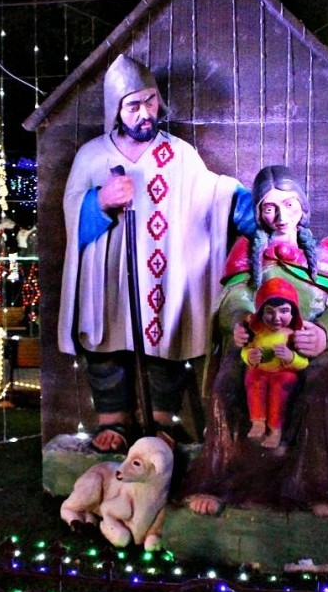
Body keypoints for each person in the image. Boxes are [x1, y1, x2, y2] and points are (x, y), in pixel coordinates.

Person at [58, 54, 253, 453]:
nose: (145, 113)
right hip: (108, 271)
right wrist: (100, 202)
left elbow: (208, 193)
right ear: (116, 110)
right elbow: (72, 209)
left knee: (165, 338)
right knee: (105, 341)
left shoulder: (178, 153)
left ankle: (161, 419)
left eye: (150, 101)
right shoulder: (92, 155)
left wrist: (245, 204)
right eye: (134, 105)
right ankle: (113, 418)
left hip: (162, 273)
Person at [179, 165, 328, 518]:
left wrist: (323, 333)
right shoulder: (247, 253)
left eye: (289, 205)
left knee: (321, 384)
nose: (280, 216)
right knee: (227, 383)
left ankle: (322, 484)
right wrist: (239, 323)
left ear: (303, 207)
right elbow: (234, 298)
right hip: (261, 342)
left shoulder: (327, 255)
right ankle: (223, 481)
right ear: (258, 213)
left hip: (310, 346)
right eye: (270, 208)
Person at [240, 277, 309, 448]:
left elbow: (304, 363)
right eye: (270, 312)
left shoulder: (293, 334)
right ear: (261, 314)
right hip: (262, 371)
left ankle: (275, 430)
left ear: (293, 313)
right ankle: (258, 421)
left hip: (283, 373)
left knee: (280, 386)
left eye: (284, 311)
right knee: (253, 377)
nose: (276, 318)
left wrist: (291, 357)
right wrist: (249, 356)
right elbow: (245, 350)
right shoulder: (258, 333)